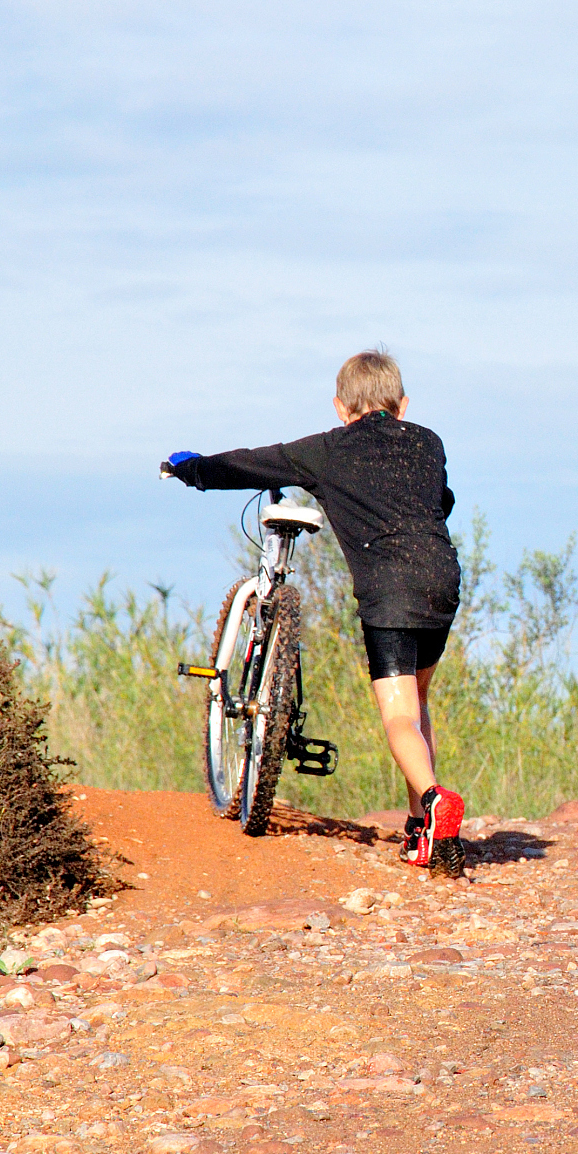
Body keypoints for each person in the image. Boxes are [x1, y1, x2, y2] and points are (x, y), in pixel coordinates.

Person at [161, 351, 467, 875]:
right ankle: (423, 833)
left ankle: (434, 798)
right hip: (442, 579)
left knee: (397, 714)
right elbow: (442, 499)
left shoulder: (329, 449)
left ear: (340, 407)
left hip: (389, 588)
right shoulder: (428, 441)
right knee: (417, 704)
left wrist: (192, 469)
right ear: (403, 404)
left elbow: (253, 462)